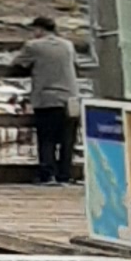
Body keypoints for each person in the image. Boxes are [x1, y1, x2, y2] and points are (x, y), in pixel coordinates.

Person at [25, 16, 81, 184]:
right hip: (70, 98)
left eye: (34, 30)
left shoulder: (33, 46)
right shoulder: (68, 45)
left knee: (46, 138)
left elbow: (18, 64)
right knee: (67, 140)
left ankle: (47, 174)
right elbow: (76, 64)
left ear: (40, 29)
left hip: (47, 97)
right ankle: (65, 174)